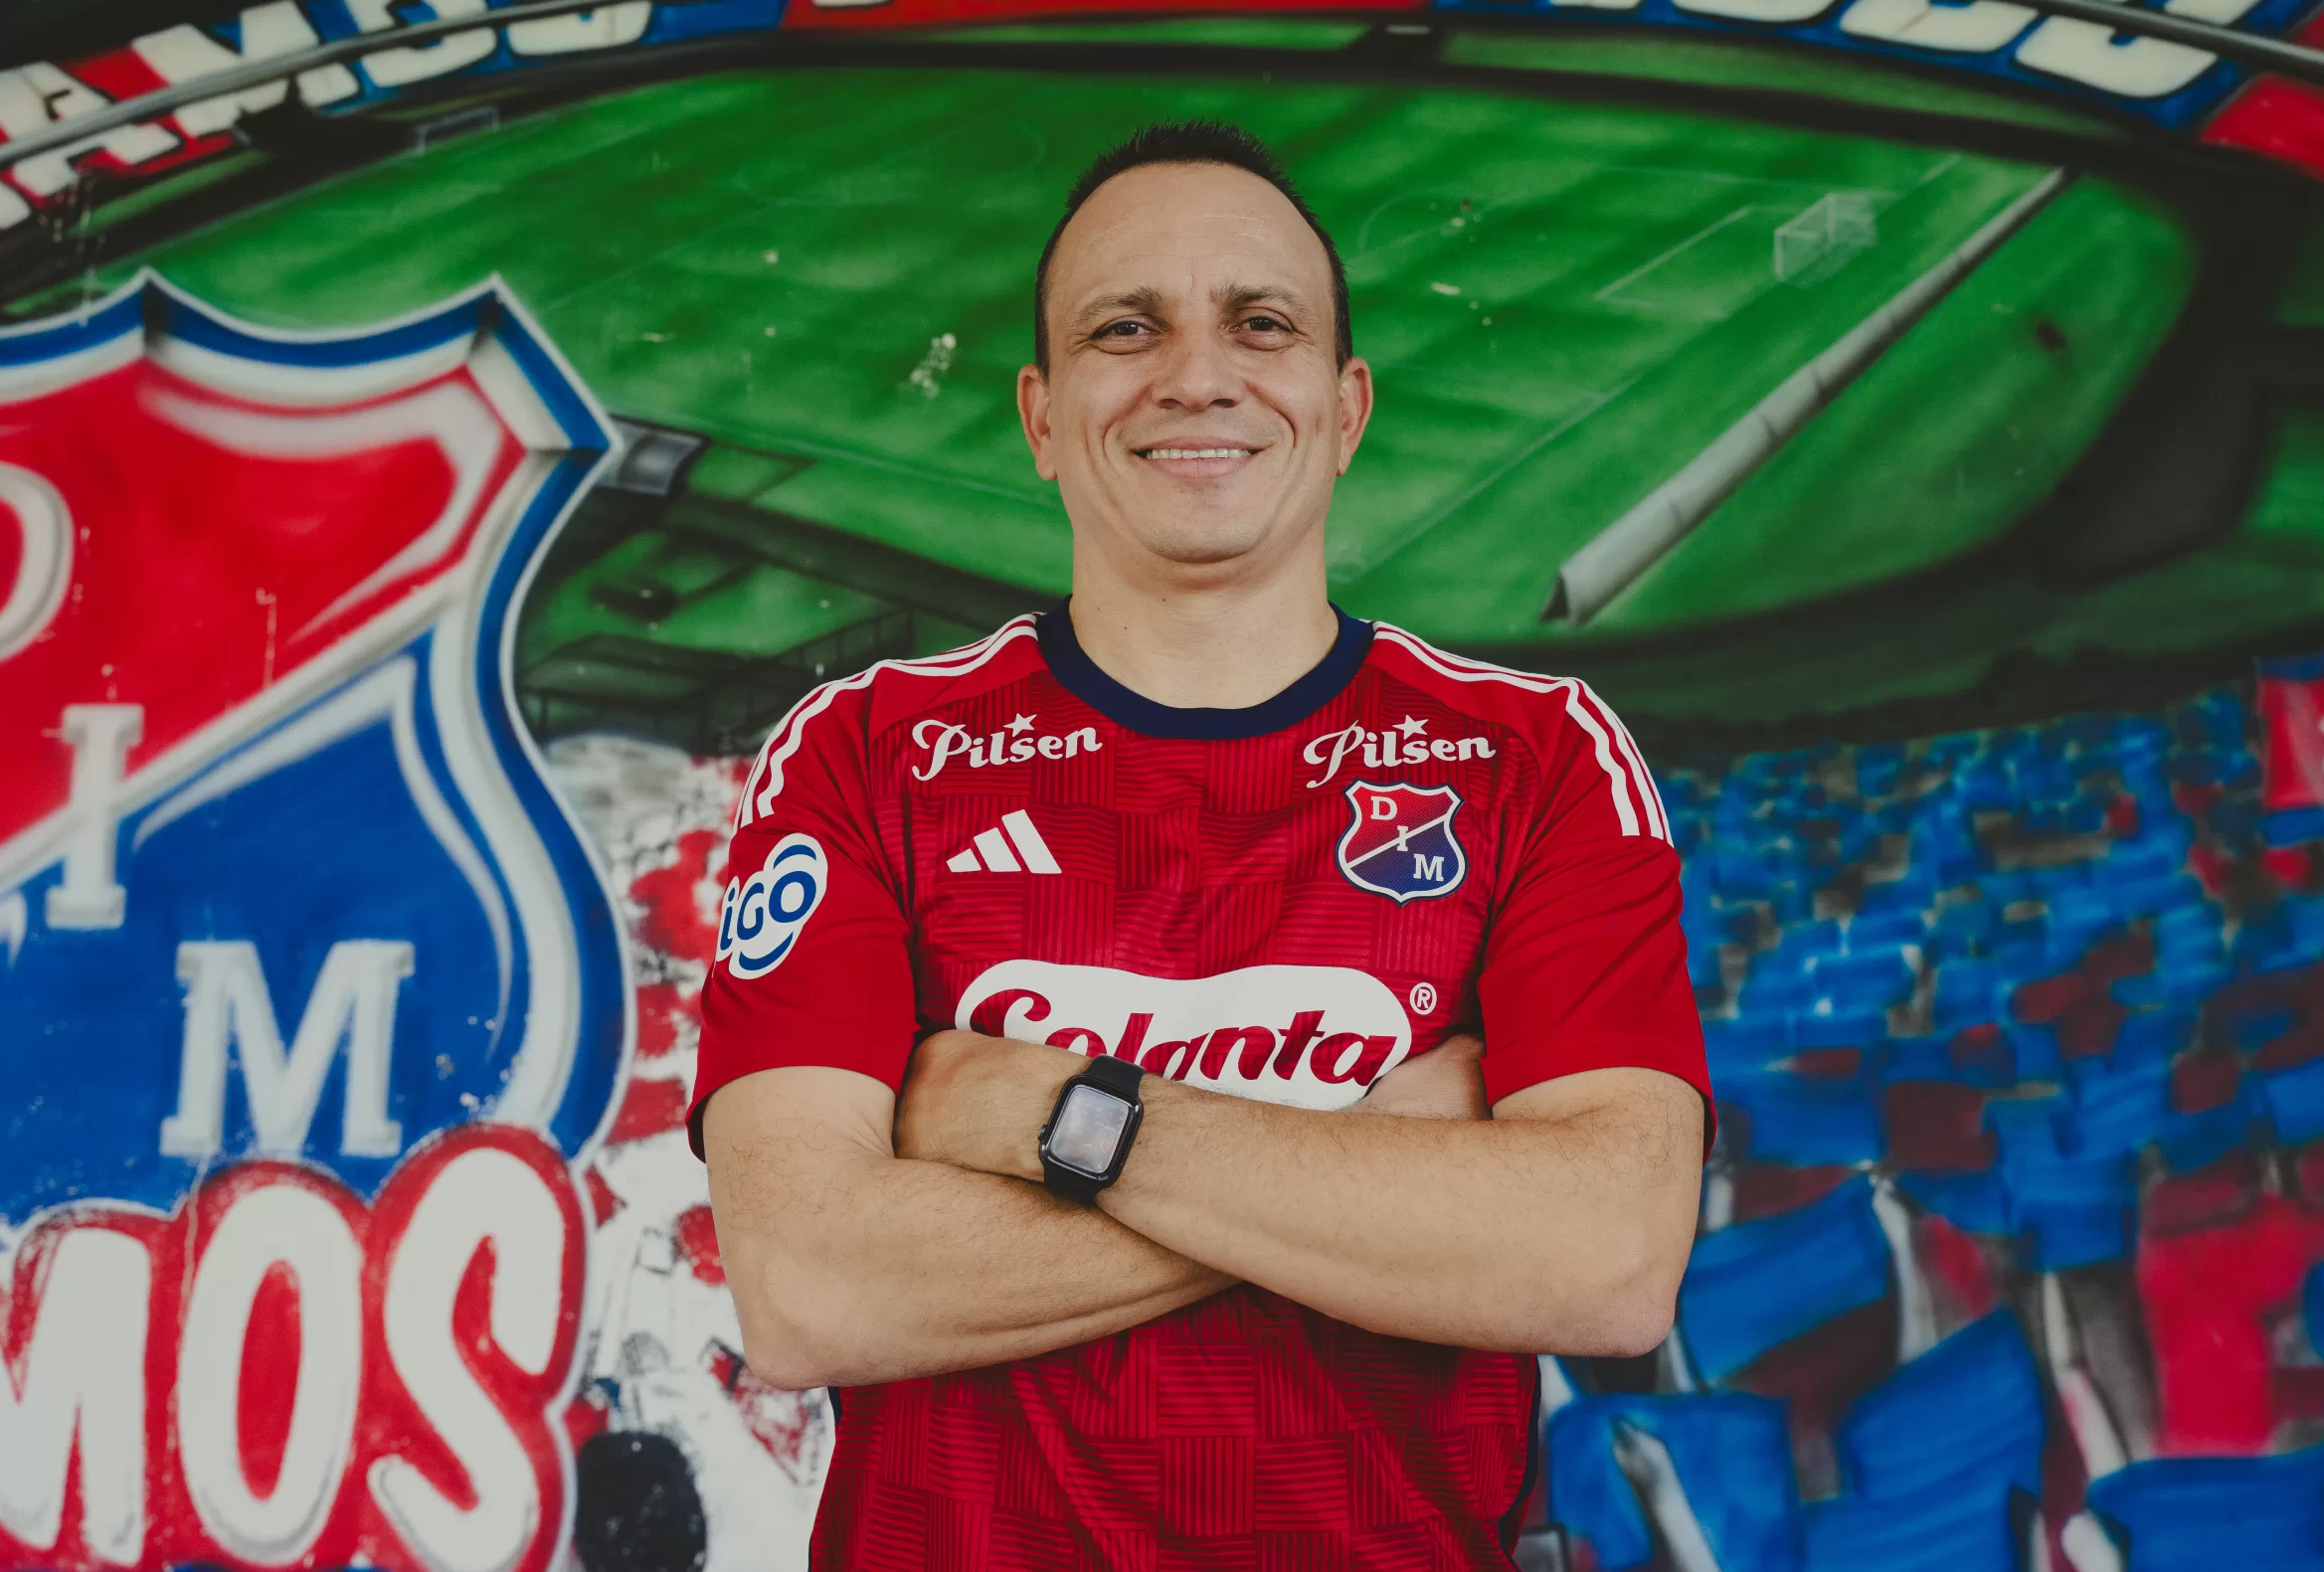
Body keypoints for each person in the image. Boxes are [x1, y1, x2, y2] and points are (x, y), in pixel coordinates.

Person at [691, 118, 1708, 1570]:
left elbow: (1604, 1259)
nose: (1197, 373)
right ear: (1041, 418)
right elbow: (810, 1286)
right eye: (1127, 325)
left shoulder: (1534, 756)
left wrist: (1045, 1116)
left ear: (1345, 405)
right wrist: (1375, 1163)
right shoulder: (867, 753)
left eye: (1261, 322)